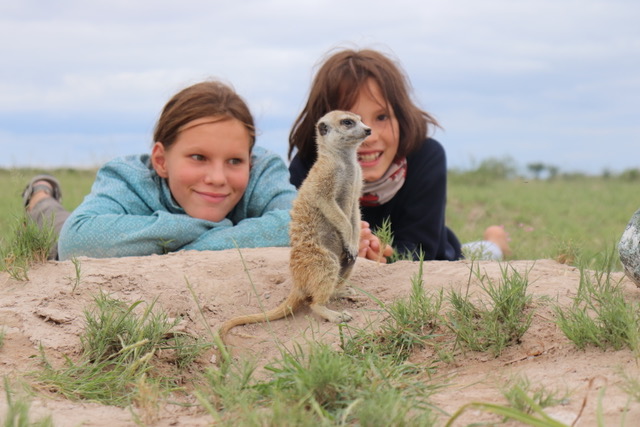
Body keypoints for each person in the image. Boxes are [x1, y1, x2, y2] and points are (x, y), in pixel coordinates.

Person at [22, 80, 297, 261]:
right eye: (198, 157)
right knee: (56, 225)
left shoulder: (264, 170)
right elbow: (77, 240)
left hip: (133, 235)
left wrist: (192, 248)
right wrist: (214, 228)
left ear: (250, 159)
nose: (217, 178)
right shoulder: (127, 177)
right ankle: (39, 195)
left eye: (235, 161)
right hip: (90, 222)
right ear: (161, 160)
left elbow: (304, 224)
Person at [288, 48, 511, 262]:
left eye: (382, 117)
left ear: (401, 118)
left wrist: (381, 254)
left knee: (477, 256)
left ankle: (495, 242)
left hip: (441, 253)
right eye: (348, 123)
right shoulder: (307, 167)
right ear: (323, 128)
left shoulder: (425, 157)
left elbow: (424, 250)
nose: (368, 135)